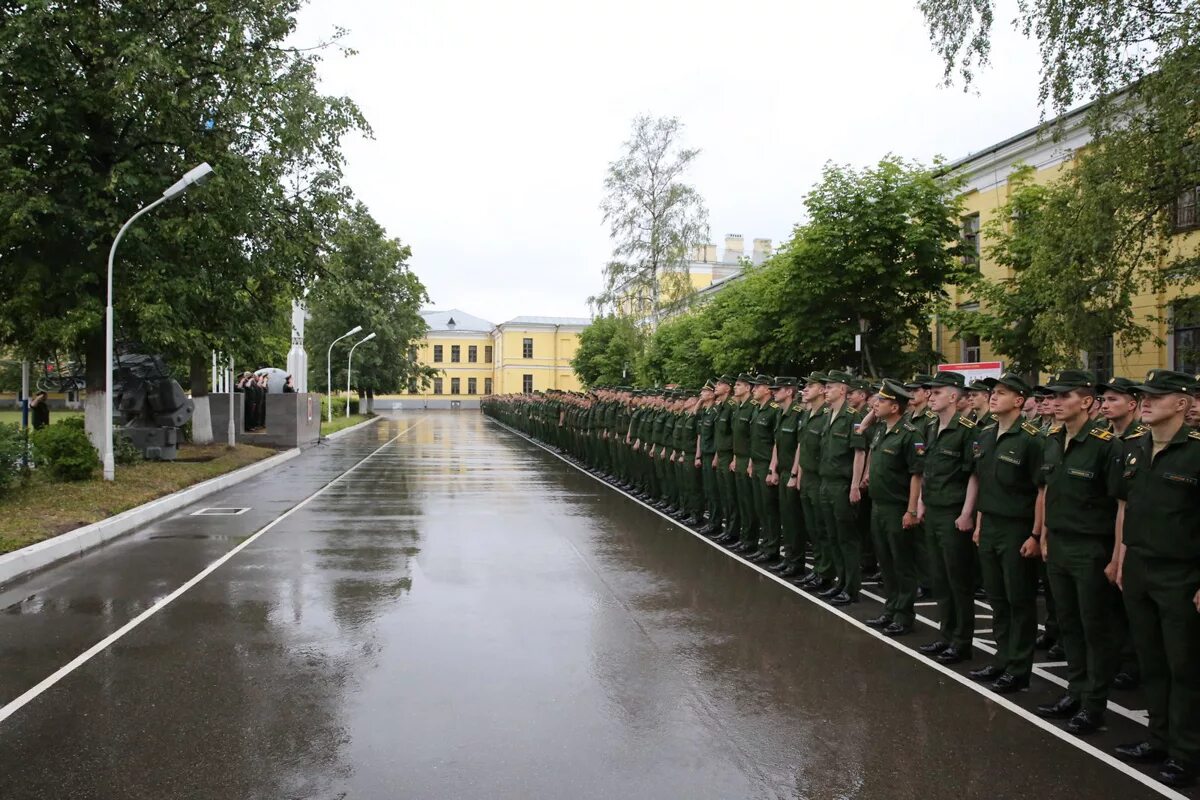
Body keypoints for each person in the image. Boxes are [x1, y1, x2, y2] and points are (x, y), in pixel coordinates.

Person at [1113, 369, 1200, 789]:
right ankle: (1159, 738)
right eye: (1143, 395)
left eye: (1155, 396)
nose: (1145, 401)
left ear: (1182, 403)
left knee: (1184, 666)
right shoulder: (1135, 448)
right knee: (1151, 660)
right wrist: (1121, 560)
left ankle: (1187, 753)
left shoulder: (1197, 451)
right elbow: (1126, 508)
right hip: (1141, 568)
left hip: (1181, 573)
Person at [1035, 370, 1122, 735]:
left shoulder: (1105, 446)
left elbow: (1120, 503)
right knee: (1068, 623)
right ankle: (1074, 689)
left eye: (1062, 395)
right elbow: (1050, 492)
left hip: (1090, 547)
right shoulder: (1054, 440)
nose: (1053, 402)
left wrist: (1116, 555)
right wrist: (1043, 535)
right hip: (1059, 545)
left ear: (1086, 401)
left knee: (1093, 627)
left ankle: (1094, 703)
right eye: (1051, 396)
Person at [970, 372, 1043, 694]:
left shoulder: (1031, 439)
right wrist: (980, 524)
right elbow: (985, 483)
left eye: (1001, 392)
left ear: (1019, 400)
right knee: (997, 598)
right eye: (993, 392)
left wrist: (1036, 534)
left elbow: (1041, 490)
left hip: (1017, 528)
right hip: (991, 527)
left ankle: (1019, 668)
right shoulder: (985, 435)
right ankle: (1002, 658)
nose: (994, 397)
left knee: (1019, 600)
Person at [916, 371, 979, 665]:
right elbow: (927, 468)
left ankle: (961, 641)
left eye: (937, 392)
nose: (931, 396)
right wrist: (921, 502)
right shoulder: (931, 427)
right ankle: (946, 635)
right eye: (930, 392)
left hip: (954, 513)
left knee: (958, 580)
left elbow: (972, 475)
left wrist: (967, 513)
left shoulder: (966, 430)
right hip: (934, 508)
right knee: (940, 578)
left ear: (953, 396)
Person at [862, 380, 924, 636]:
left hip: (897, 507)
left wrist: (911, 510)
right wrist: (872, 415)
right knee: (885, 562)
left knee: (902, 563)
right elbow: (861, 429)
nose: (876, 404)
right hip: (878, 505)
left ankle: (904, 615)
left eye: (882, 401)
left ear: (895, 407)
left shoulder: (910, 434)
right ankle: (890, 609)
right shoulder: (880, 430)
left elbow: (916, 474)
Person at [816, 370, 867, 605]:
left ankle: (851, 587)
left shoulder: (851, 417)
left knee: (847, 539)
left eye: (830, 387)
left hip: (842, 484)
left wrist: (855, 485)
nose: (826, 390)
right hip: (826, 483)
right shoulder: (828, 415)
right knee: (832, 535)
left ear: (843, 390)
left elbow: (859, 453)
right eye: (825, 387)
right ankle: (840, 582)